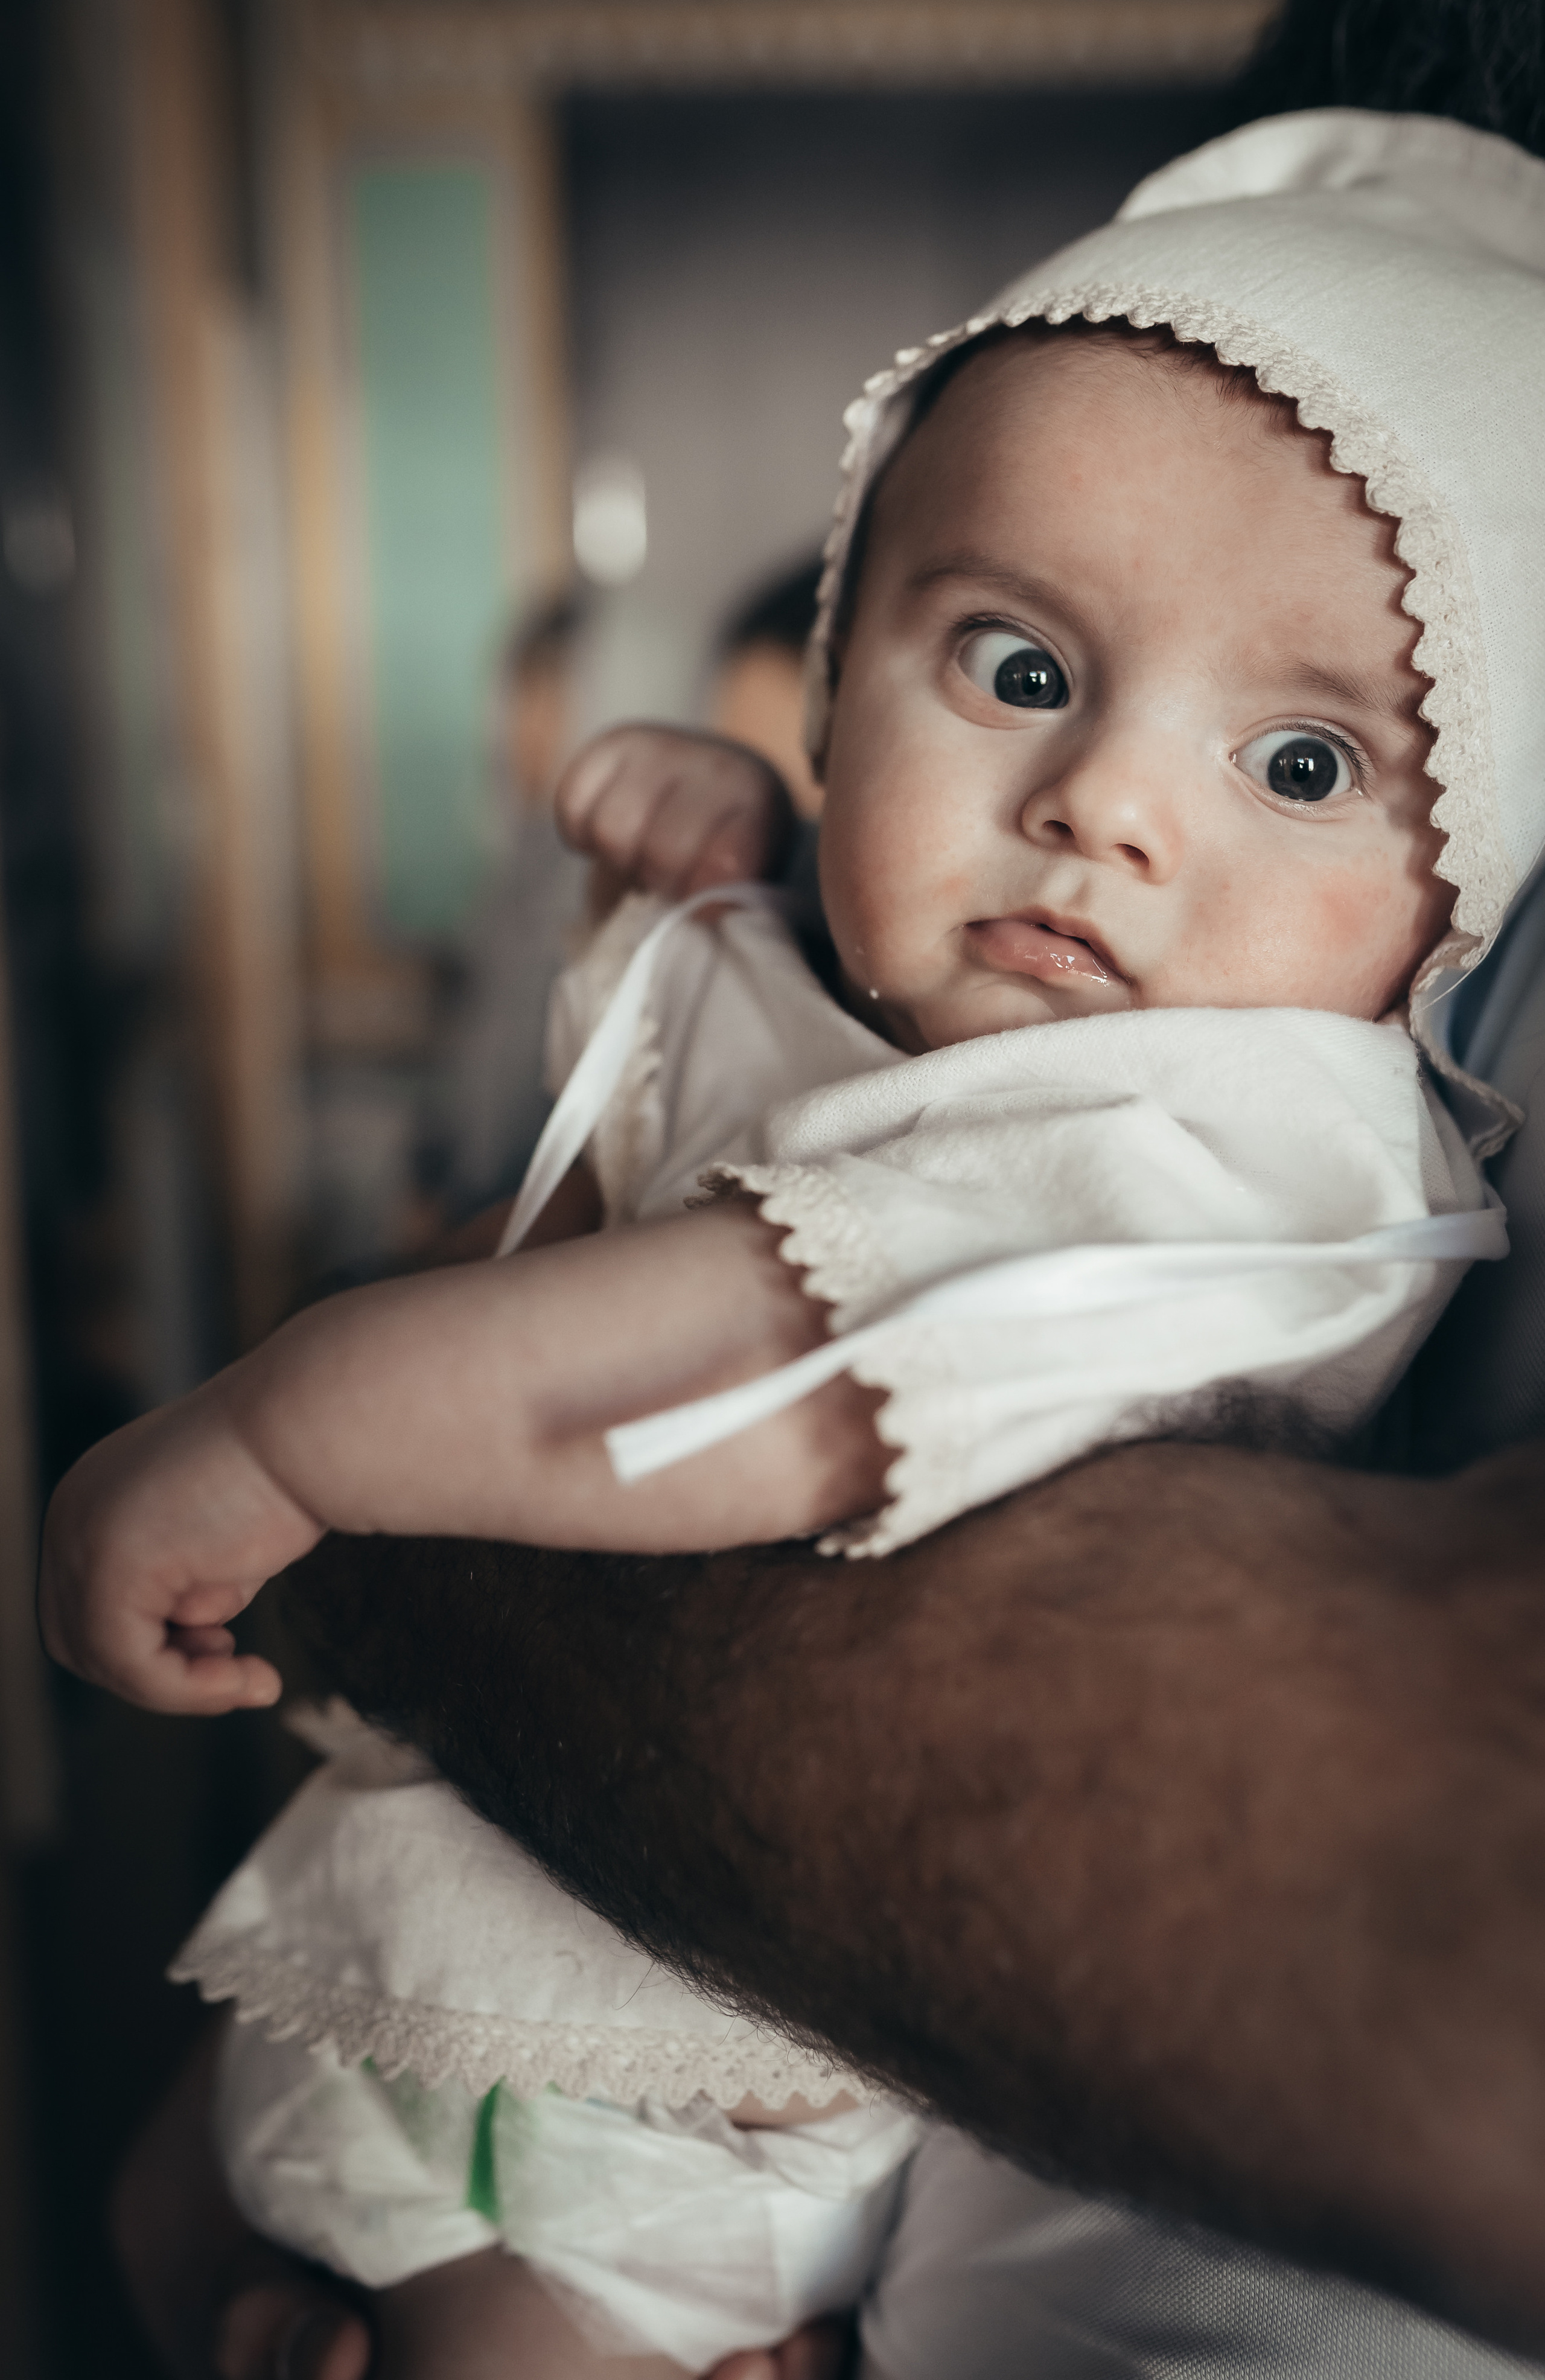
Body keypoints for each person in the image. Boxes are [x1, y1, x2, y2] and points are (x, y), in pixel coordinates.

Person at [46, 97, 1545, 2376]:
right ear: (844, 673)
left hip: (654, 2093)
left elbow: (727, 1337)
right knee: (150, 2222)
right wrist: (734, 885)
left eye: (1305, 766)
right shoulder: (988, 1005)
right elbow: (748, 1123)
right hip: (478, 1955)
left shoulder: (1247, 1133)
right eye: (1019, 669)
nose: (1099, 803)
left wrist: (283, 1430)